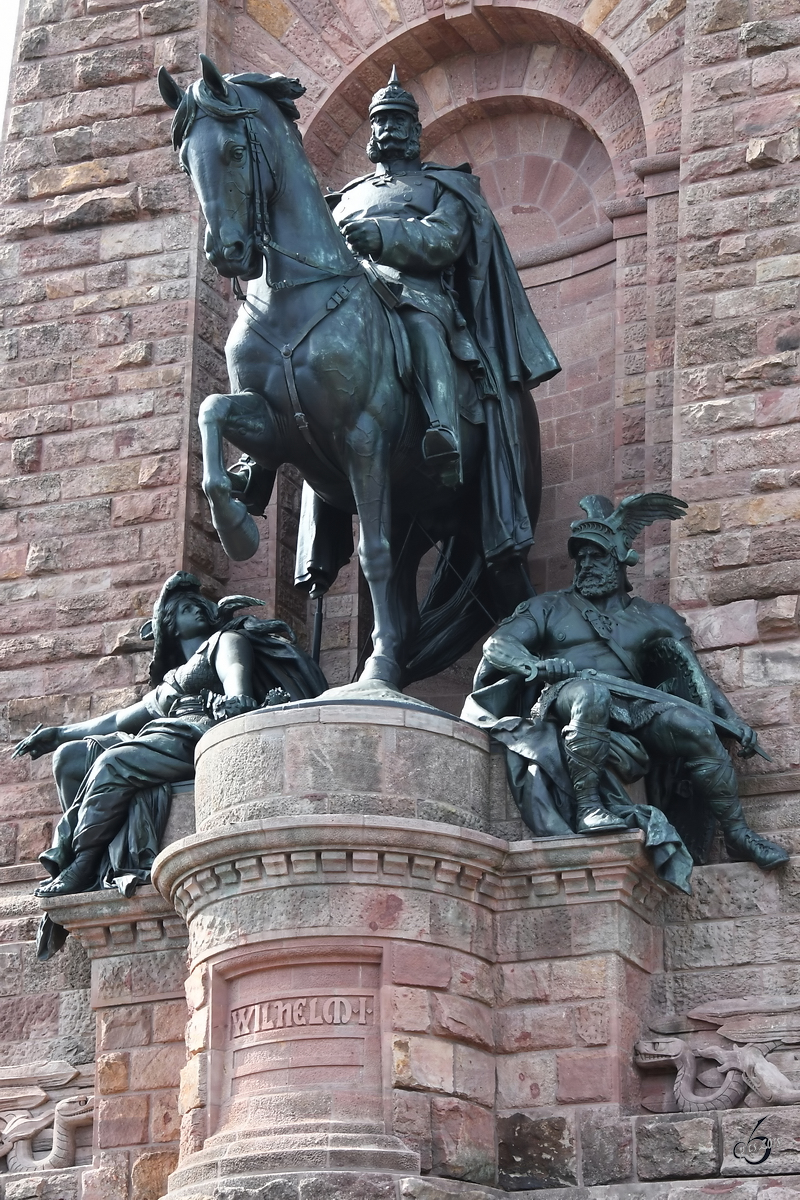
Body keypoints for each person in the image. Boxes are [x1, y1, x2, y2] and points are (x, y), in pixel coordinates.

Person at [462, 493, 788, 887]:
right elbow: (497, 646)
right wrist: (536, 665)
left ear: (620, 560)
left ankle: (737, 834)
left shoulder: (654, 617)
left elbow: (695, 677)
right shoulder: (549, 608)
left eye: (596, 557)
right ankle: (589, 808)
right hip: (564, 694)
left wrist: (731, 719)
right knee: (589, 695)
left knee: (694, 727)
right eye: (580, 558)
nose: (585, 565)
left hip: (635, 704)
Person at [327, 67, 559, 557]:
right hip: (348, 308)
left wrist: (384, 237)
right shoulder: (346, 196)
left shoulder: (444, 186)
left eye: (397, 121)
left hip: (420, 294)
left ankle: (442, 430)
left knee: (424, 328)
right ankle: (264, 469)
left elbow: (445, 240)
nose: (387, 130)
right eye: (380, 122)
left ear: (415, 131)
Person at [14, 572, 327, 908]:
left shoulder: (224, 642)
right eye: (185, 607)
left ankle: (83, 862)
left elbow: (235, 675)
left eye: (198, 604)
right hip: (161, 736)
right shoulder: (170, 682)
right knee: (71, 757)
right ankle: (96, 849)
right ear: (171, 626)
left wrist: (237, 699)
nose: (196, 608)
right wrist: (58, 734)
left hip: (196, 733)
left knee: (113, 761)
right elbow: (119, 719)